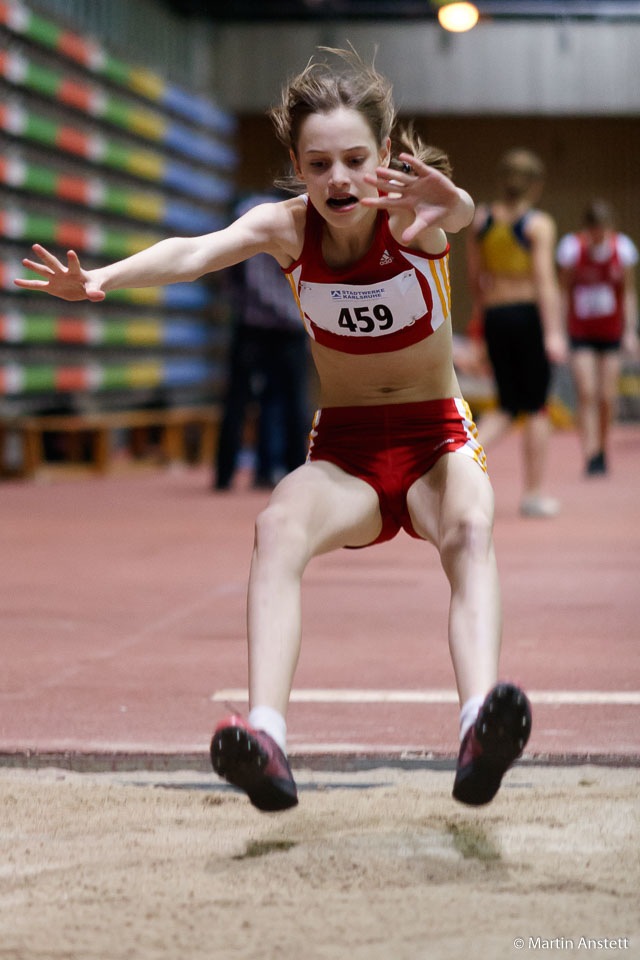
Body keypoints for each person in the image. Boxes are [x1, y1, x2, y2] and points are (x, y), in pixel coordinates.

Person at [15, 48, 532, 811]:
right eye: (319, 165)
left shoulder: (412, 221)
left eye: (357, 160)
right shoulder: (288, 230)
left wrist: (452, 203)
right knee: (276, 523)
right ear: (296, 164)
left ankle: (477, 728)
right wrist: (102, 278)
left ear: (385, 157)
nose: (339, 181)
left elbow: (455, 217)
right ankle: (266, 738)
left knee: (470, 529)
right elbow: (195, 252)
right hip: (348, 454)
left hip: (435, 441)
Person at [466, 148, 567, 518]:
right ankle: (534, 494)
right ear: (536, 186)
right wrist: (554, 332)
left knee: (507, 407)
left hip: (495, 315)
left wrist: (479, 326)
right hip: (527, 316)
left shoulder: (481, 221)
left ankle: (457, 462)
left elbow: (475, 280)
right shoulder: (538, 224)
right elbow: (544, 280)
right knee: (536, 407)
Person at [215, 192, 310, 491]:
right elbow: (253, 281)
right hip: (265, 328)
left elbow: (234, 278)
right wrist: (301, 316)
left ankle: (279, 473)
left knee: (287, 403)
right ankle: (225, 475)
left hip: (269, 326)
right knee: (241, 402)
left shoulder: (306, 216)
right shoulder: (255, 211)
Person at [556, 199, 639, 476]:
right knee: (587, 392)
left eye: (602, 232)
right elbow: (562, 291)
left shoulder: (622, 249)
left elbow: (628, 292)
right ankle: (590, 452)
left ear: (609, 229)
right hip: (581, 332)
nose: (597, 238)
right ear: (586, 229)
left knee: (606, 395)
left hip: (611, 332)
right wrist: (558, 330)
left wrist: (630, 330)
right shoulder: (572, 249)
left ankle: (603, 447)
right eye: (593, 232)